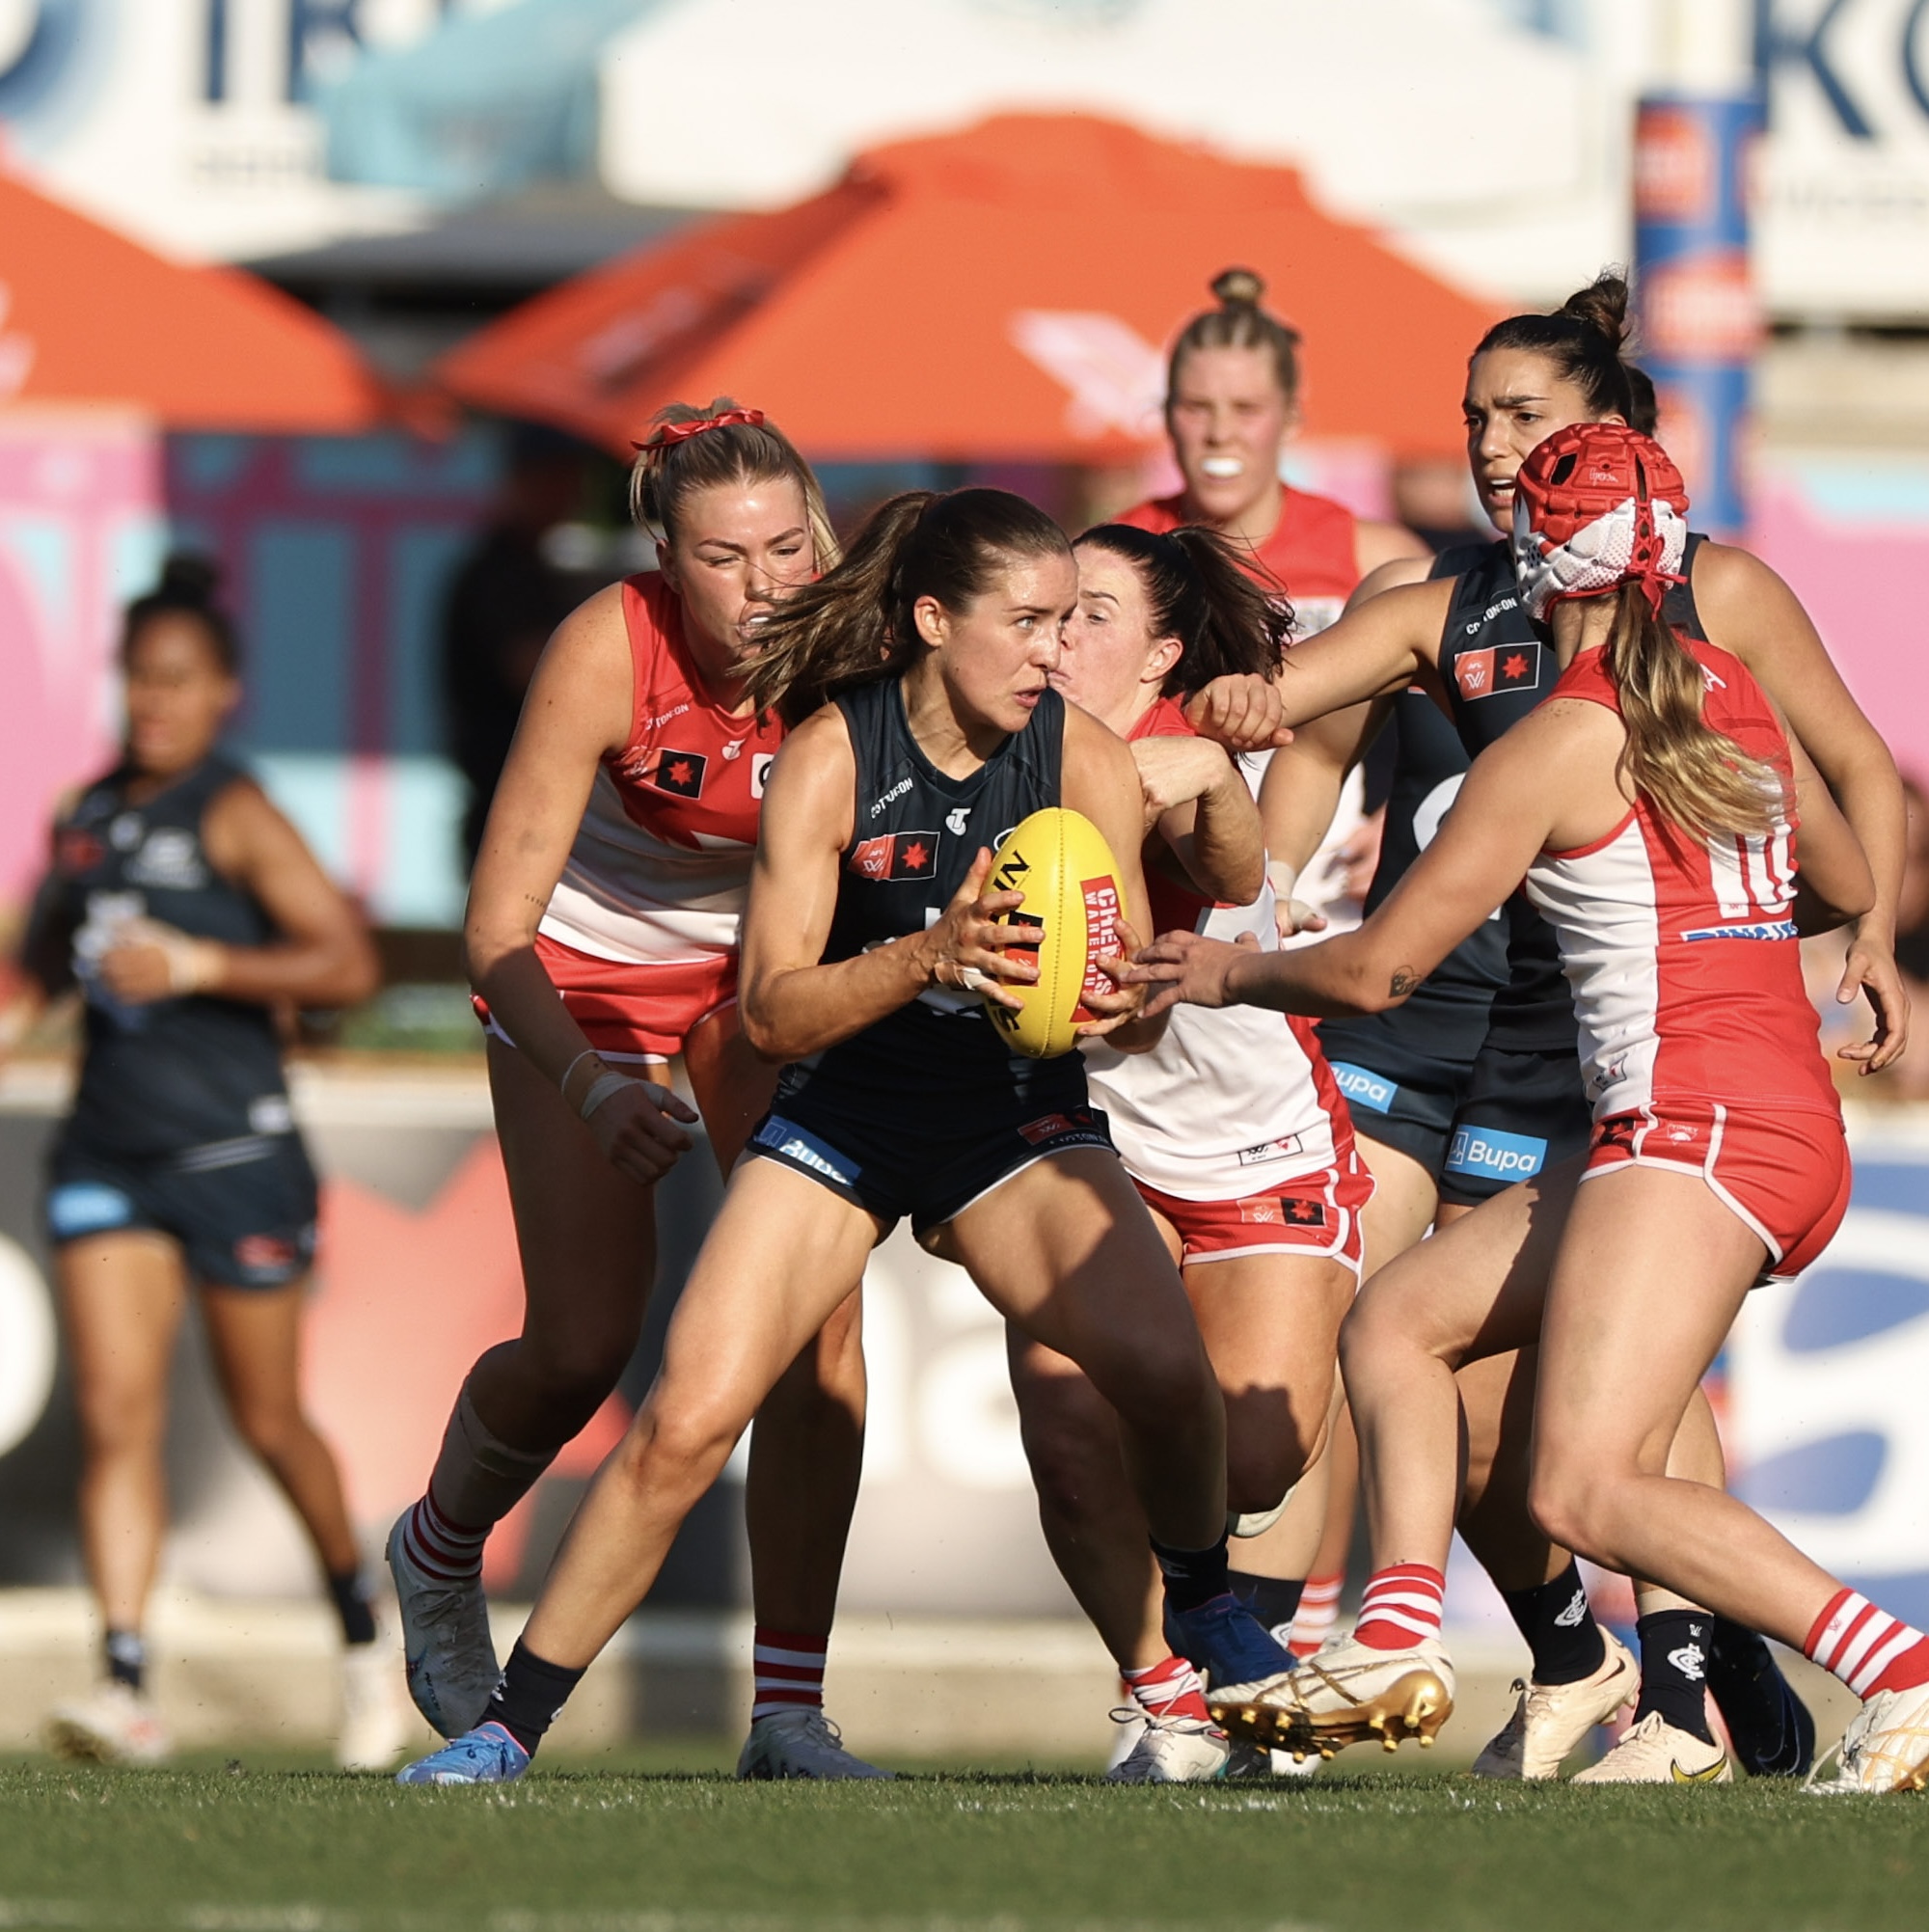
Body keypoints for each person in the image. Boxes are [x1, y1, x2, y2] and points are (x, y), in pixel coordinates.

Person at [393, 487, 1291, 1786]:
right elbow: (769, 1004)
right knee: (687, 1419)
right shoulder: (833, 752)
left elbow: (1117, 1020)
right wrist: (932, 951)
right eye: (1028, 621)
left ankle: (1206, 1604)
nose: (1054, 651)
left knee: (1164, 1372)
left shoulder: (1081, 757)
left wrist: (1114, 1005)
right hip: (850, 1109)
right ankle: (508, 1724)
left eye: (1067, 623)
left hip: (1007, 1114)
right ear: (933, 619)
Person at [1131, 424, 1929, 1796]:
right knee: (1397, 1320)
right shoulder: (1729, 689)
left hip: (1696, 1125)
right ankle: (1394, 1631)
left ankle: (1903, 1671)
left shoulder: (1562, 737)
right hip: (1755, 1117)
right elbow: (1844, 870)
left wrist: (1226, 966)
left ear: (1541, 566)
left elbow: (1382, 963)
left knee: (1585, 1487)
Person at [390, 401, 886, 1782]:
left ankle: (789, 1710)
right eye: (726, 557)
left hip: (755, 988)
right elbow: (496, 926)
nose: (767, 582)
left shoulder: (859, 645)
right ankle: (435, 1547)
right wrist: (596, 1090)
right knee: (581, 1345)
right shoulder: (605, 645)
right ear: (665, 556)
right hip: (580, 986)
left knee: (819, 1339)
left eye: (791, 545)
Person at [2, 557, 402, 1770]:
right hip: (106, 1151)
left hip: (236, 1152)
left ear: (224, 690)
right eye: (138, 678)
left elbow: (345, 965)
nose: (153, 702)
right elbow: (36, 979)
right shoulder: (85, 816)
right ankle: (126, 1682)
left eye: (178, 680)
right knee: (118, 1415)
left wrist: (202, 967)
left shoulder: (237, 812)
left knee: (269, 1416)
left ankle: (360, 1636)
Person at [1012, 521, 1372, 1782]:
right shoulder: (998, 750)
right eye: (1046, 610)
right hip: (1086, 1140)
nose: (1058, 638)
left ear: (1164, 650)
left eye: (1093, 614)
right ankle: (1164, 1697)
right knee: (1066, 1431)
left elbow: (1140, 996)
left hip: (1247, 1143)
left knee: (1248, 1451)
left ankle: (1276, 1638)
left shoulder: (1178, 760)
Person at [441, 422, 593, 870]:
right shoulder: (498, 574)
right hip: (512, 813)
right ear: (520, 480)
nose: (569, 489)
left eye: (572, 474)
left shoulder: (539, 565)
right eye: (555, 474)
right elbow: (539, 673)